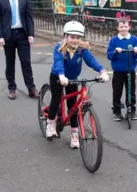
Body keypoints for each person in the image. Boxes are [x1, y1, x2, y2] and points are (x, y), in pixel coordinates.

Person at [46, 21, 110, 149]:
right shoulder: (59, 48)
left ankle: (74, 133)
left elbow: (91, 60)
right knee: (56, 99)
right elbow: (58, 63)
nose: (75, 40)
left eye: (78, 37)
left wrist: (102, 71)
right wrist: (61, 75)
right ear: (66, 36)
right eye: (72, 37)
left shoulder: (82, 49)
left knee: (73, 106)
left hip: (72, 78)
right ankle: (50, 124)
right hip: (58, 77)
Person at [0, 0, 39, 100]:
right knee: (10, 62)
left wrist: (31, 34)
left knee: (26, 62)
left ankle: (31, 88)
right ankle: (12, 88)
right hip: (8, 35)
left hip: (22, 34)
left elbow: (29, 17)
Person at [106, 17, 137, 121]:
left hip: (130, 70)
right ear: (118, 28)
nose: (123, 29)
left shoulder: (134, 39)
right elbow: (109, 55)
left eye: (125, 26)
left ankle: (131, 110)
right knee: (117, 91)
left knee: (131, 91)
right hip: (118, 71)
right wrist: (115, 52)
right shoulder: (114, 40)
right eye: (121, 27)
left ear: (129, 27)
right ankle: (117, 111)